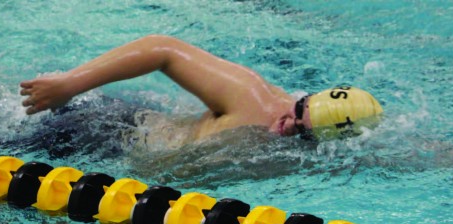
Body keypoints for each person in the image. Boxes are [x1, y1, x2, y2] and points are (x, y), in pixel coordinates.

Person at [20, 35, 383, 143]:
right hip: (99, 134)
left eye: (303, 134)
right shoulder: (251, 97)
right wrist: (69, 84)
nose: (288, 124)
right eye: (298, 110)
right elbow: (163, 49)